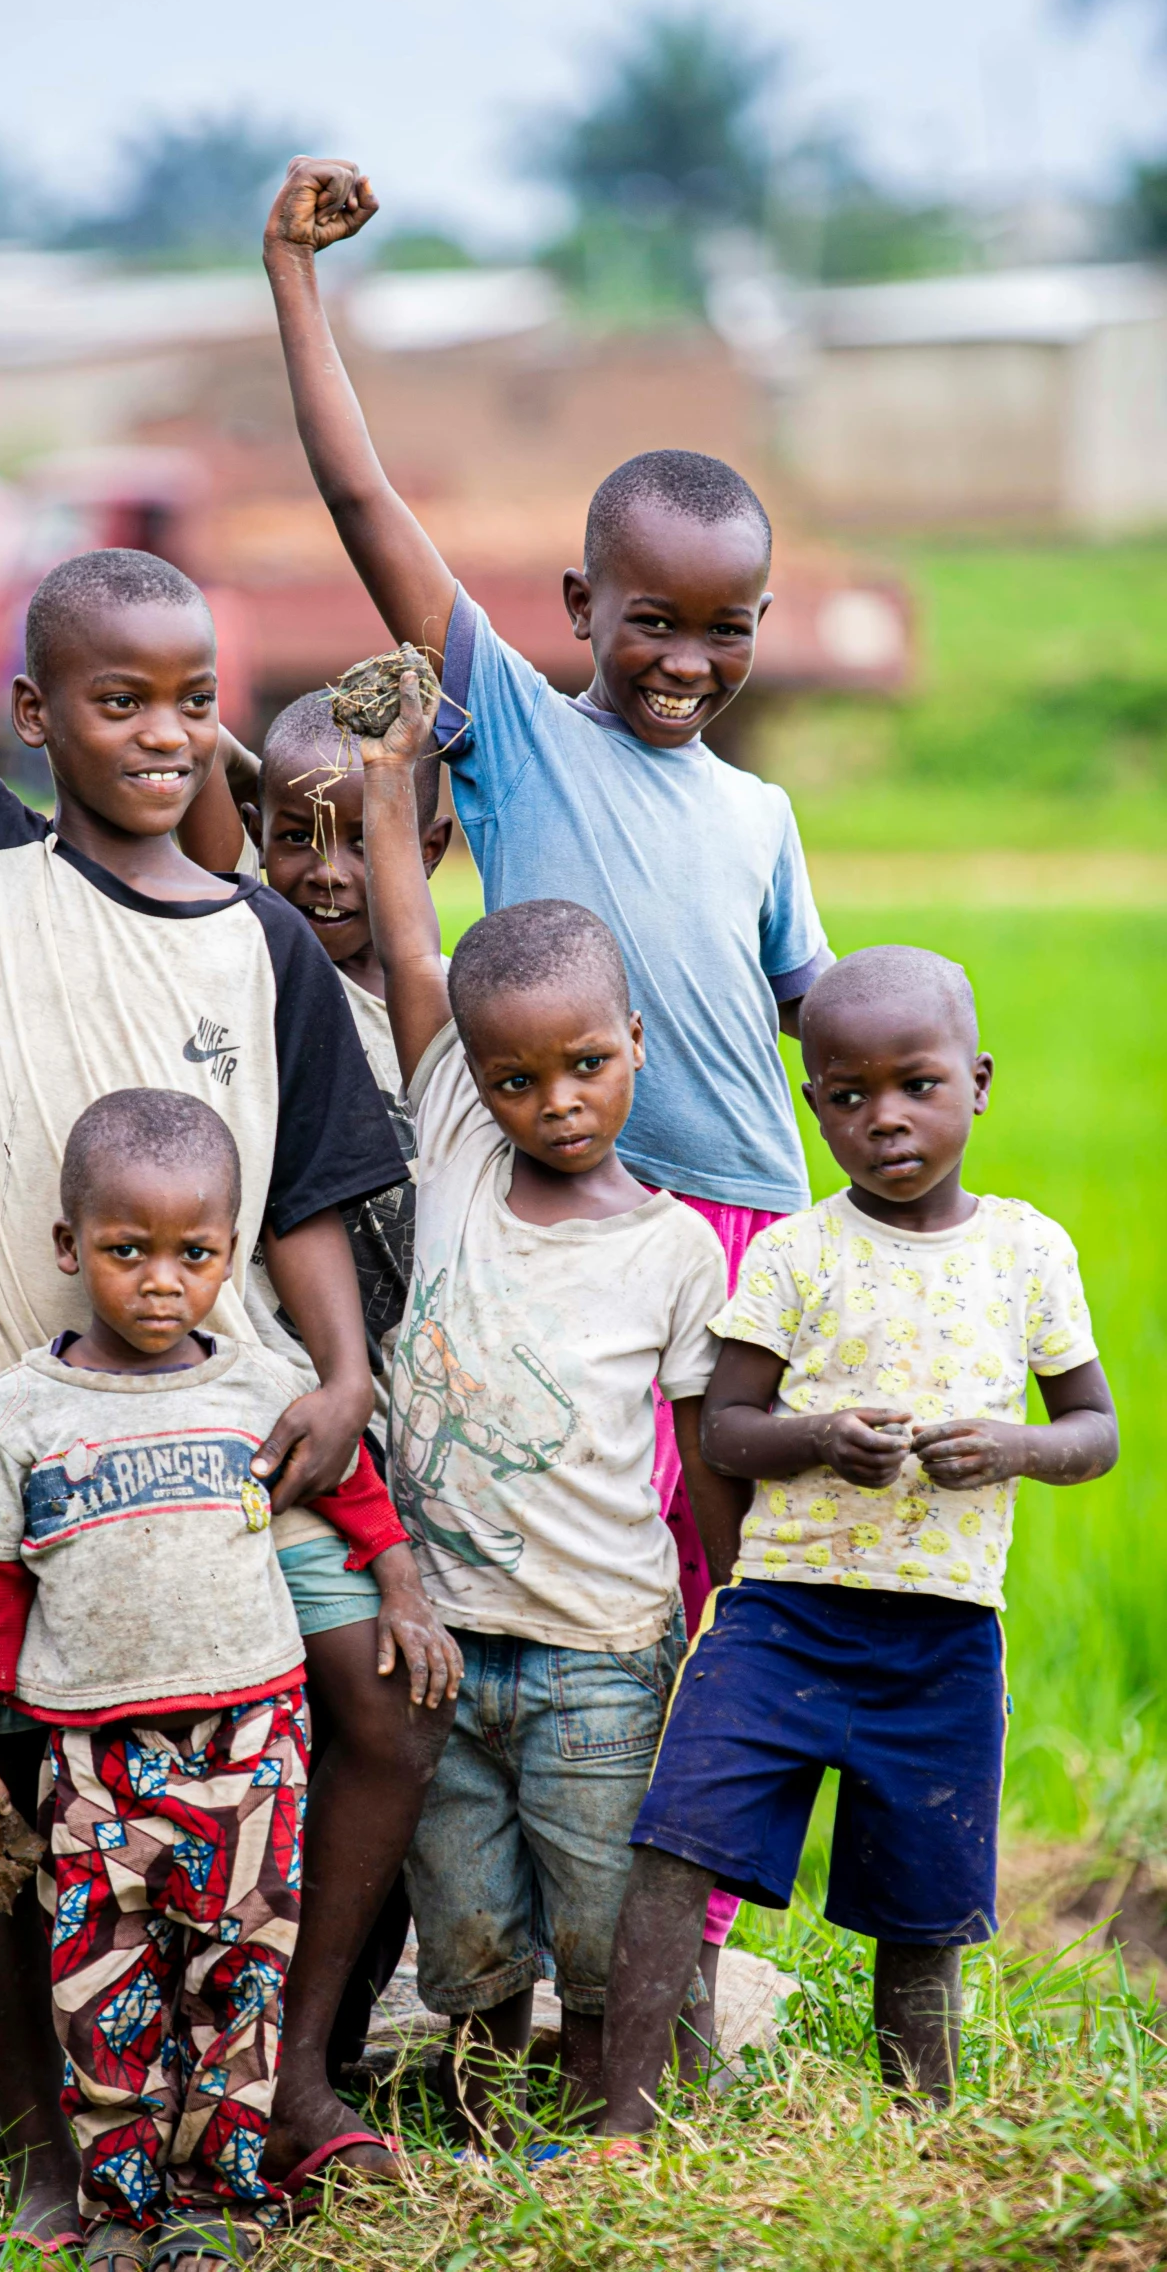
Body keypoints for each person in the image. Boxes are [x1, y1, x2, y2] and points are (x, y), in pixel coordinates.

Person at [0, 242, 428, 2238]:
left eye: (190, 703)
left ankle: (294, 2055)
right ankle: (31, 2131)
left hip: (224, 1443)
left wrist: (335, 1376)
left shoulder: (260, 943)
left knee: (361, 1710)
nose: (161, 733)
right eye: (115, 699)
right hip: (4, 1449)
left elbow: (318, 1179)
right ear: (33, 712)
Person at [261, 154, 835, 1954]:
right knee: (557, 1558)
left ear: (760, 623)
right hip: (574, 1209)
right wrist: (297, 277)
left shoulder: (759, 810)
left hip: (744, 1231)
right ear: (579, 604)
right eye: (649, 617)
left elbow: (806, 1008)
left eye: (723, 624)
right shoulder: (509, 724)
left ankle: (675, 1941)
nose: (685, 655)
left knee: (719, 1590)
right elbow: (360, 495)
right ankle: (500, 1924)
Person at [601, 946, 1120, 2130]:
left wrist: (1013, 1444)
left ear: (977, 1082)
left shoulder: (1027, 1251)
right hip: (782, 1616)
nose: (883, 1118)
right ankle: (627, 2123)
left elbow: (1091, 1431)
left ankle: (917, 2128)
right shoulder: (794, 1251)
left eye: (917, 1085)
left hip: (940, 1639)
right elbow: (725, 1429)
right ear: (812, 1101)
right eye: (847, 1094)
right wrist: (822, 1436)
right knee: (674, 1848)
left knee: (919, 1905)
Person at [352, 667, 733, 2139]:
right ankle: (485, 2099)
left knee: (599, 1913)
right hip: (439, 1641)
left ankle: (616, 2104)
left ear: (634, 1043)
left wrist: (729, 1611)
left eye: (584, 1063)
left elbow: (698, 1457)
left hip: (597, 1644)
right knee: (463, 1927)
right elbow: (404, 943)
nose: (554, 1099)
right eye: (516, 1077)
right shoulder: (447, 1134)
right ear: (476, 1083)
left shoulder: (672, 1248)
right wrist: (390, 781)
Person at [0, 1088, 368, 2268]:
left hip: (253, 1748)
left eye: (195, 1253)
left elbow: (355, 1493)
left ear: (230, 1250)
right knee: (103, 1993)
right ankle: (118, 2213)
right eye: (127, 1251)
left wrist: (405, 1596)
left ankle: (217, 2202)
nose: (161, 1280)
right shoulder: (20, 1416)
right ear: (71, 1250)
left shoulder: (260, 1386)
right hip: (91, 1768)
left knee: (238, 1988)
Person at [180, 694, 457, 2093]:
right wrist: (234, 767)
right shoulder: (235, 967)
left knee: (397, 1737)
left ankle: (323, 2049)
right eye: (295, 837)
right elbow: (217, 821)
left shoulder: (449, 1009)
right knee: (282, 1734)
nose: (325, 870)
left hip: (413, 1443)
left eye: (362, 839)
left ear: (433, 839)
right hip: (276, 1434)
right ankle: (250, 2049)